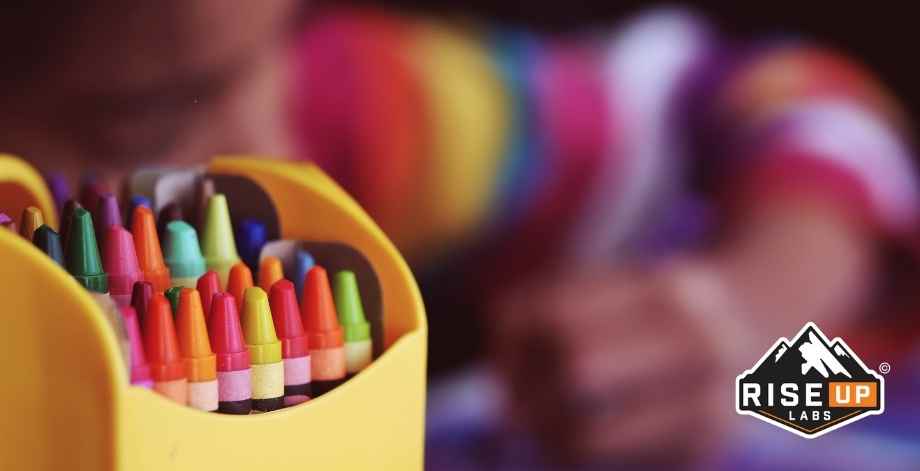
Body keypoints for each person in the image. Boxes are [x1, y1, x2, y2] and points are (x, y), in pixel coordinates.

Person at [2, 2, 918, 468]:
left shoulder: (344, 109)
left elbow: (781, 99)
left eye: (284, 37)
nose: (276, 150)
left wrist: (747, 315)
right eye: (140, 124)